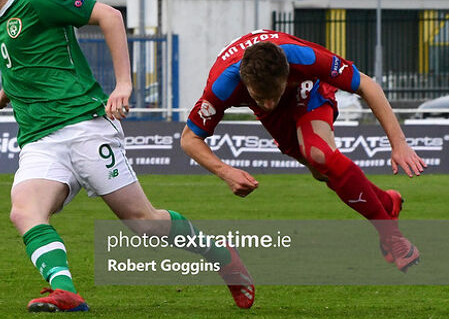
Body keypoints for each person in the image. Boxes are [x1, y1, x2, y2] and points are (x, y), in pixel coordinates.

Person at [0, 0, 255, 312]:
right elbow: (38, 62)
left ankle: (223, 259)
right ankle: (65, 292)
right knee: (24, 211)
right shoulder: (0, 20)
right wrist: (7, 92)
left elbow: (109, 16)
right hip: (39, 139)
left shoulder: (40, 0)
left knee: (143, 222)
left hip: (84, 127)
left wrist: (124, 84)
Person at [180, 30, 426, 272]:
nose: (267, 102)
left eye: (272, 94)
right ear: (245, 84)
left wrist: (399, 144)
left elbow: (365, 84)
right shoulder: (223, 84)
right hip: (273, 115)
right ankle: (386, 203)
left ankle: (392, 237)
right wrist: (225, 172)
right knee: (321, 172)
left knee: (318, 153)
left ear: (286, 73)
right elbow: (190, 138)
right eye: (258, 97)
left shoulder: (303, 58)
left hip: (308, 89)